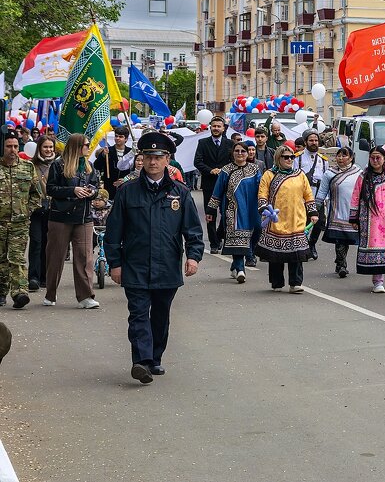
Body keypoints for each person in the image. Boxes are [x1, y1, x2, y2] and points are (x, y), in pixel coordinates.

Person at [105, 131, 204, 384]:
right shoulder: (127, 192)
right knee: (138, 314)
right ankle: (141, 361)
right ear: (142, 158)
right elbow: (114, 231)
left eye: (158, 157)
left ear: (167, 159)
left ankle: (155, 358)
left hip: (167, 266)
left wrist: (193, 257)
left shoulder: (180, 193)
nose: (152, 162)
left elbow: (192, 230)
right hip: (135, 265)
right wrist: (114, 264)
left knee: (160, 315)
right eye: (148, 156)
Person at [44, 133, 103, 308]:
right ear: (77, 146)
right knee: (55, 256)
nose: (88, 147)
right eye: (85, 145)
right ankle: (50, 293)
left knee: (85, 257)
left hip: (84, 216)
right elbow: (51, 189)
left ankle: (86, 297)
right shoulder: (58, 164)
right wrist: (73, 190)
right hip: (60, 217)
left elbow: (96, 187)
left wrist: (92, 192)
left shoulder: (89, 166)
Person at [256, 145, 318, 293]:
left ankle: (295, 283)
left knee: (296, 254)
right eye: (286, 157)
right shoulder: (269, 175)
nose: (289, 160)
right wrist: (264, 209)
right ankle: (277, 283)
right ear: (278, 158)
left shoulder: (300, 174)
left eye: (292, 157)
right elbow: (262, 195)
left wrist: (313, 212)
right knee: (276, 255)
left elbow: (308, 195)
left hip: (296, 219)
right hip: (276, 219)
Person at [349, 146, 385, 292]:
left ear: (384, 159)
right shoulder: (363, 176)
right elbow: (355, 197)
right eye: (372, 157)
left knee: (383, 248)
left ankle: (379, 281)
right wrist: (354, 218)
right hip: (369, 219)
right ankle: (377, 281)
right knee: (374, 246)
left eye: (378, 157)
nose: (375, 160)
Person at [206, 142, 261, 284]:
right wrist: (211, 210)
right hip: (233, 210)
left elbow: (261, 189)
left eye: (243, 151)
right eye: (237, 151)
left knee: (257, 231)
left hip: (252, 209)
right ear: (233, 153)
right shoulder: (226, 170)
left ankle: (236, 264)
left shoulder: (255, 169)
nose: (240, 153)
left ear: (248, 153)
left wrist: (265, 206)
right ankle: (241, 269)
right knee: (236, 238)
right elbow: (217, 191)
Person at [0, 131, 40, 309]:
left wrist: (27, 211)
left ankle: (19, 293)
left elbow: (36, 194)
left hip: (19, 223)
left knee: (17, 258)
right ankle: (1, 292)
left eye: (16, 146)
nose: (13, 150)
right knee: (1, 259)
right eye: (9, 146)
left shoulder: (27, 167)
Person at [318, 146, 363, 278]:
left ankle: (340, 262)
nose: (341, 158)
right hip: (337, 211)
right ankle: (342, 265)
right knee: (340, 239)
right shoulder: (329, 173)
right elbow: (322, 192)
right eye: (339, 155)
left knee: (349, 239)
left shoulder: (358, 172)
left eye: (344, 156)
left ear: (351, 158)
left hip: (353, 212)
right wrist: (315, 207)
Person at [194, 115, 233, 254]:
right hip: (209, 183)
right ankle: (214, 243)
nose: (216, 128)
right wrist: (211, 170)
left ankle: (220, 235)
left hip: (225, 183)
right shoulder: (203, 142)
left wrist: (223, 170)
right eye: (214, 126)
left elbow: (233, 162)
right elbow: (197, 162)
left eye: (218, 126)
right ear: (210, 127)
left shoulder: (230, 144)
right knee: (210, 214)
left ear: (223, 128)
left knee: (226, 213)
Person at [27, 135, 57, 292]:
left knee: (49, 243)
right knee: (36, 242)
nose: (48, 150)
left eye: (51, 147)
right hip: (36, 210)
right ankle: (33, 277)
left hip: (53, 210)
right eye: (45, 147)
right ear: (39, 148)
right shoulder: (31, 165)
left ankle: (46, 276)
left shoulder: (58, 164)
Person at [297, 130, 329, 260]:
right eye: (311, 140)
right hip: (301, 197)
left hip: (317, 196)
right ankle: (302, 247)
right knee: (302, 222)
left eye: (316, 140)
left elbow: (326, 179)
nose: (314, 143)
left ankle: (312, 245)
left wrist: (326, 197)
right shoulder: (297, 157)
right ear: (305, 142)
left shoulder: (323, 160)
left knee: (320, 222)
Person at [95, 127, 133, 199]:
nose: (117, 138)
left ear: (126, 139)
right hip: (110, 186)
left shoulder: (130, 152)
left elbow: (134, 169)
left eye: (121, 137)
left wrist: (125, 179)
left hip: (126, 186)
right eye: (116, 136)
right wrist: (102, 155)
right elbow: (97, 166)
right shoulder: (107, 150)